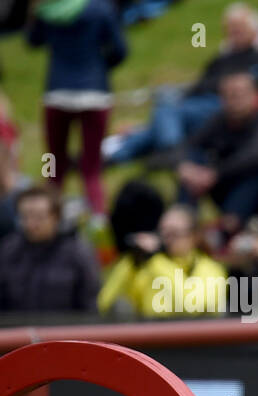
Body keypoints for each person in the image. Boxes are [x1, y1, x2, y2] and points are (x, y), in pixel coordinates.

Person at [104, 3, 258, 166]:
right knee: (165, 110)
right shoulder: (222, 59)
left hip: (224, 106)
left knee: (166, 111)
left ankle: (166, 151)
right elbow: (200, 84)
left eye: (239, 29)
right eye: (231, 30)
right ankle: (119, 155)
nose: (233, 34)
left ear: (255, 31)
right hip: (199, 104)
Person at [26, 0, 127, 214]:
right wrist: (100, 68)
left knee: (53, 165)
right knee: (91, 169)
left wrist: (33, 13)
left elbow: (33, 41)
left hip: (57, 93)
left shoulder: (47, 10)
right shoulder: (101, 9)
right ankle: (99, 226)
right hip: (95, 95)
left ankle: (46, 222)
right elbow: (119, 50)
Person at [177, 70, 258, 232]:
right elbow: (191, 145)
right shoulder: (220, 119)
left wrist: (216, 173)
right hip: (224, 185)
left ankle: (230, 228)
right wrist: (185, 167)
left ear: (256, 94)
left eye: (240, 93)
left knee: (255, 172)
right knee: (193, 161)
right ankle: (183, 221)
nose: (234, 99)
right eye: (228, 95)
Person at [97, 204, 228, 318]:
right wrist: (131, 262)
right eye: (162, 233)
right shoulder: (149, 266)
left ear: (194, 236)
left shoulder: (211, 269)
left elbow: (192, 306)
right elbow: (104, 303)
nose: (166, 240)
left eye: (174, 234)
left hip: (198, 343)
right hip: (150, 342)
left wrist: (155, 258)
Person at [0, 185, 100, 315]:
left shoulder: (77, 253)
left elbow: (89, 304)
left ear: (56, 217)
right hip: (17, 331)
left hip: (64, 332)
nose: (31, 224)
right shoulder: (8, 250)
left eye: (39, 217)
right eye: (25, 217)